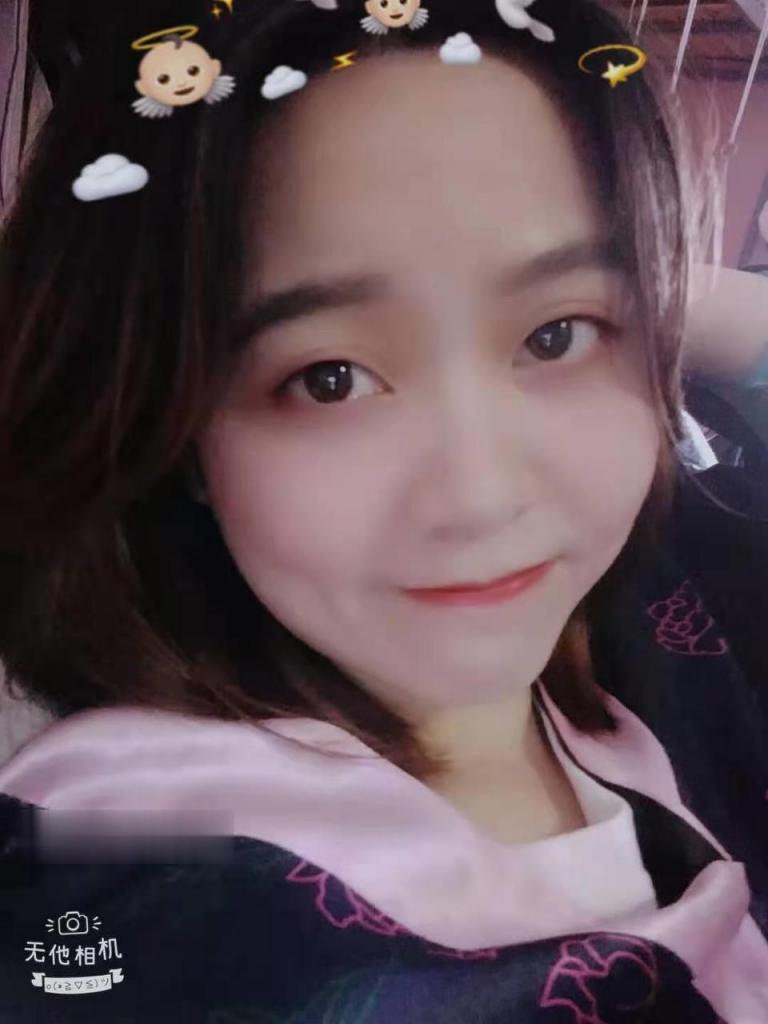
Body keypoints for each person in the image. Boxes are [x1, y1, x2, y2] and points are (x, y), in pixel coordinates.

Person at [1, 0, 768, 1020]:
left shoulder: (668, 607)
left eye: (556, 336)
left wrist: (657, 270)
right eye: (329, 379)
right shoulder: (135, 873)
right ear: (176, 430)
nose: (483, 497)